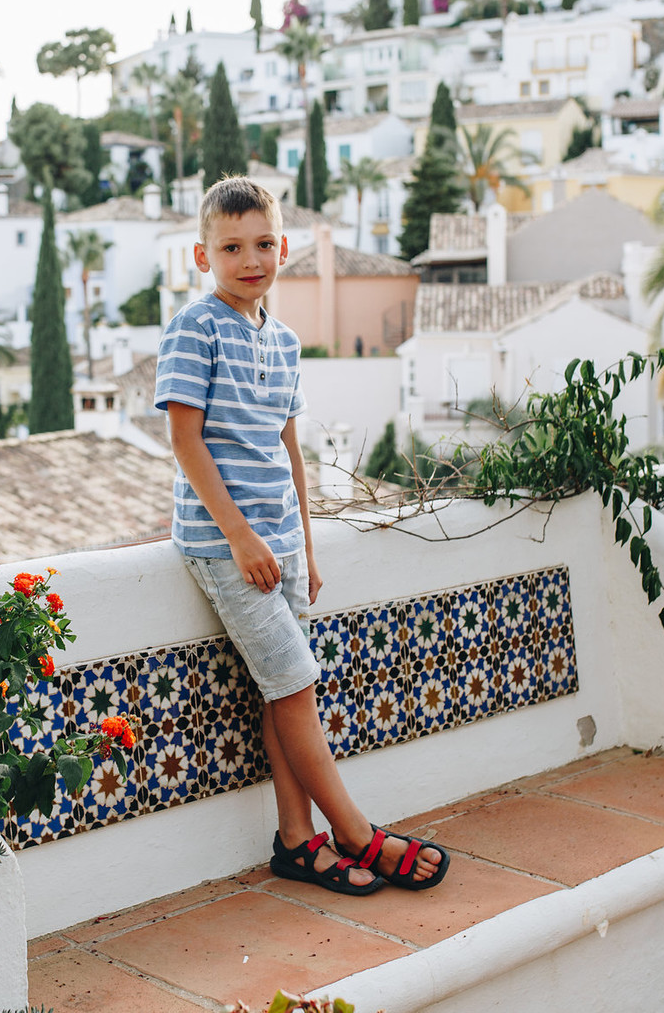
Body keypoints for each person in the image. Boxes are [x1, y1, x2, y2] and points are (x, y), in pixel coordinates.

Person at [154, 177, 449, 894]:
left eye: (261, 244)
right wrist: (243, 540)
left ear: (282, 247)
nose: (249, 259)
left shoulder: (282, 341)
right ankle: (355, 834)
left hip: (283, 544)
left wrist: (304, 549)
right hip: (228, 548)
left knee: (279, 693)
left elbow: (291, 452)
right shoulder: (195, 328)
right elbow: (185, 442)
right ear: (204, 256)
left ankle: (296, 841)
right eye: (231, 247)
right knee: (298, 687)